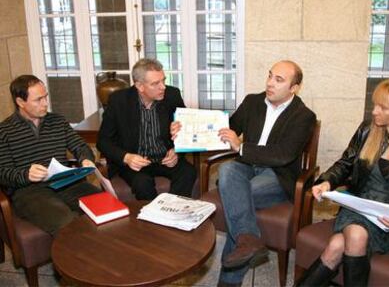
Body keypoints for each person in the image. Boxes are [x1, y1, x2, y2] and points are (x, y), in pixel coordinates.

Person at [296, 77, 389, 287]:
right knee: (357, 235)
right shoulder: (368, 129)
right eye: (374, 104)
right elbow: (345, 163)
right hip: (358, 207)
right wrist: (327, 182)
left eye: (383, 107)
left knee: (336, 245)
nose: (375, 111)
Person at [215, 60, 316, 286]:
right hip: (247, 166)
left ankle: (228, 281)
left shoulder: (303, 116)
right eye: (270, 76)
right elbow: (228, 129)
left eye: (278, 80)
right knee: (227, 168)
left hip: (277, 175)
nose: (270, 83)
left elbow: (283, 155)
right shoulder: (253, 101)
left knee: (239, 194)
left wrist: (240, 147)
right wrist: (188, 131)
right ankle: (249, 239)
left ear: (294, 88)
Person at [0, 75, 101, 236]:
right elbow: (3, 173)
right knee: (67, 223)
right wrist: (26, 174)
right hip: (30, 192)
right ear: (20, 102)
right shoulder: (4, 132)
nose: (45, 103)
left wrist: (86, 159)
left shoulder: (57, 121)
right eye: (38, 99)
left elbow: (80, 146)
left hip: (66, 183)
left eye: (45, 96)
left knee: (106, 207)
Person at [97, 58, 196, 200]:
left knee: (188, 172)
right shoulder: (119, 101)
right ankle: (151, 218)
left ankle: (174, 213)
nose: (163, 87)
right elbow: (103, 141)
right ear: (140, 86)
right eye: (156, 83)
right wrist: (127, 157)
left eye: (163, 80)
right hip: (136, 161)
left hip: (164, 158)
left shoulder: (172, 95)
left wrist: (177, 152)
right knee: (142, 183)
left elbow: (186, 131)